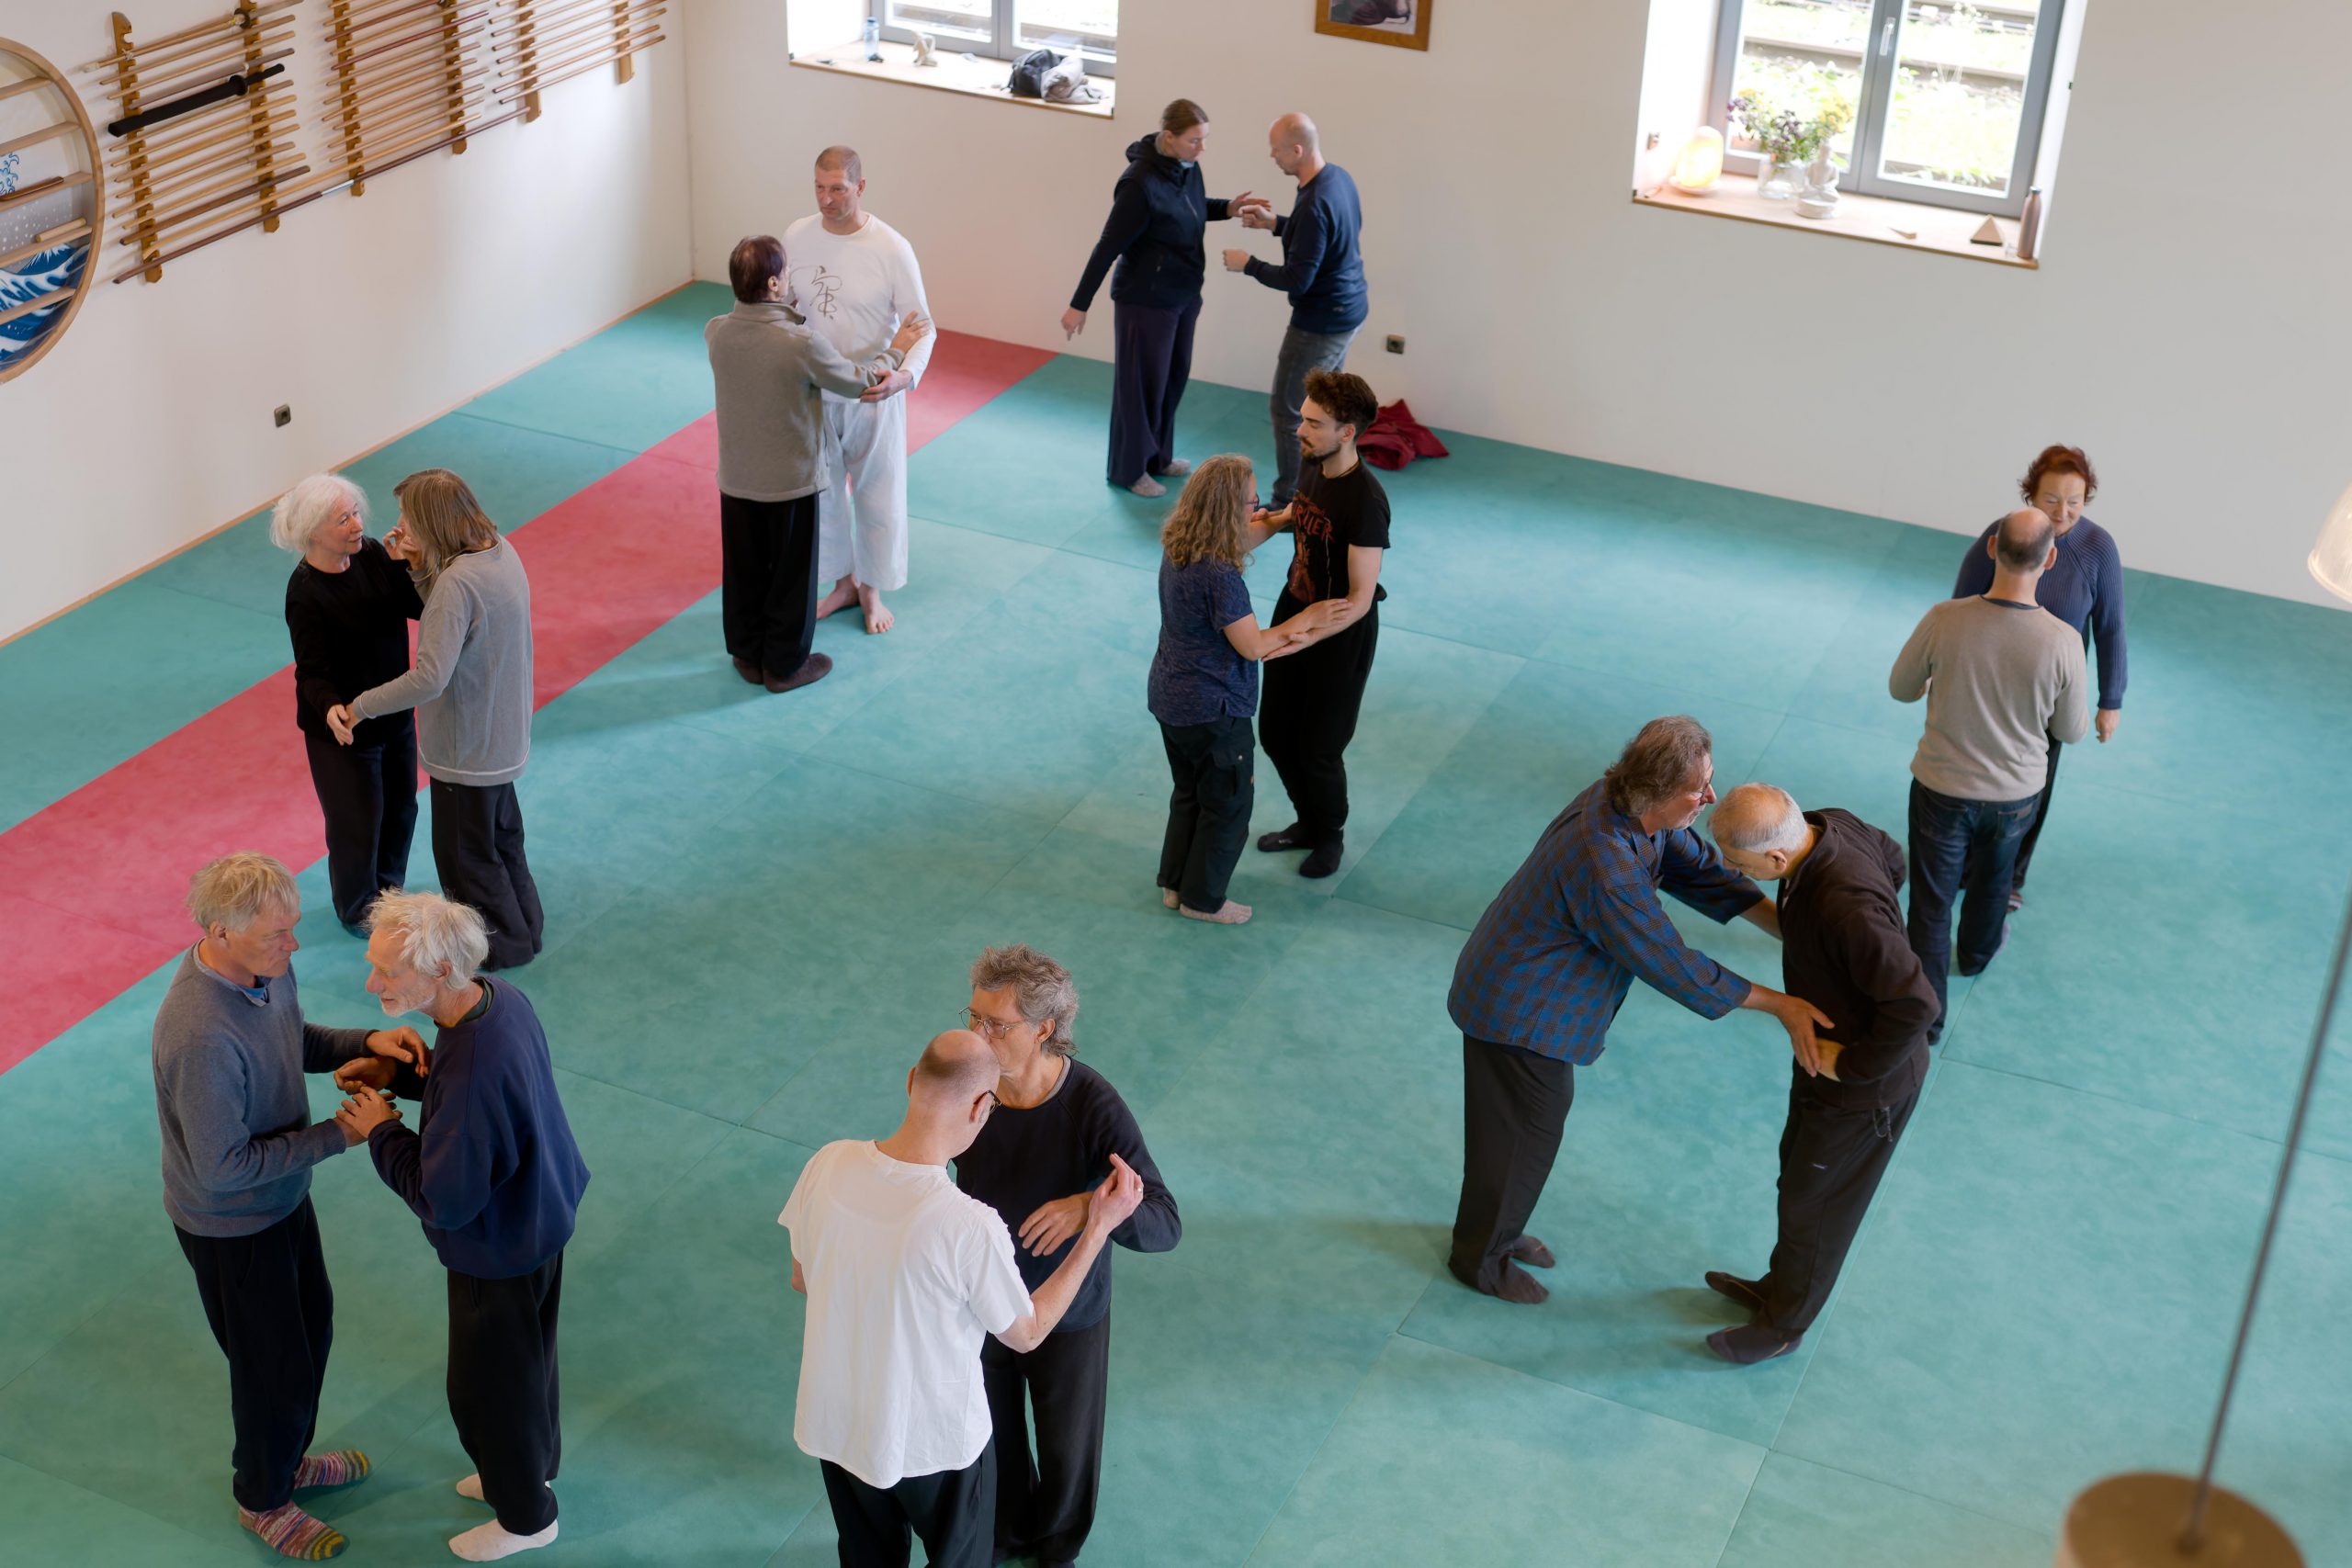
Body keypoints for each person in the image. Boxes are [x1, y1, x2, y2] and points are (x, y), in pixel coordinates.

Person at [1445, 717, 1832, 1305]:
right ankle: (1480, 1259)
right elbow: (1668, 961)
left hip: (1527, 992)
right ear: (1657, 792)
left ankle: (1498, 1229)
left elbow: (1698, 868)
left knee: (1520, 1136)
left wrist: (1789, 928)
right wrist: (1781, 1005)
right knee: (1524, 1136)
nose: (1710, 797)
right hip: (1518, 1013)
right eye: (1698, 790)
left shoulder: (1626, 801)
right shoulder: (1605, 862)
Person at [778, 1032, 1146, 1568]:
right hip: (935, 1445)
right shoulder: (968, 1226)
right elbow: (1025, 1332)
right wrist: (1096, 1227)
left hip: (838, 1425)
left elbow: (802, 1278)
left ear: (910, 1081)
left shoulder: (828, 1164)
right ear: (982, 1107)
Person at [151, 852, 426, 1561]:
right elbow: (221, 1169)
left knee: (311, 1334)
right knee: (270, 1365)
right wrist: (341, 1133)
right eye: (279, 934)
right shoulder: (199, 1035)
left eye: (292, 928)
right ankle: (263, 1497)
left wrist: (364, 1039)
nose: (294, 945)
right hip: (232, 1223)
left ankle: (288, 1458)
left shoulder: (261, 968)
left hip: (281, 1201)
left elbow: (290, 1035)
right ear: (220, 931)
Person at [335, 889, 590, 1564]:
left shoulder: (471, 1060)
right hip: (540, 1215)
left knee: (485, 1392)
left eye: (388, 971)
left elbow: (443, 1198)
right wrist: (401, 1075)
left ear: (440, 968)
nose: (372, 982)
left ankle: (527, 1514)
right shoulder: (494, 1002)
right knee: (530, 1367)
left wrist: (381, 1129)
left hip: (494, 1250)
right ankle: (529, 1469)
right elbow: (476, 1095)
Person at [952, 947, 1181, 1568]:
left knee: (1066, 1450)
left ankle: (1055, 1551)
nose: (978, 1035)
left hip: (1068, 1313)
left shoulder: (1092, 1105)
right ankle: (1002, 1535)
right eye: (974, 1017)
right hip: (985, 1299)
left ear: (1044, 1028)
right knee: (988, 1433)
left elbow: (1164, 1221)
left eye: (996, 1025)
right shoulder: (971, 1081)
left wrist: (1088, 1206)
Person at [1704, 784, 1937, 1365]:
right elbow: (1894, 859)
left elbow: (1917, 1006)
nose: (1732, 870)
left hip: (1864, 1087)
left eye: (1738, 864)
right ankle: (1779, 1288)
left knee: (1819, 1204)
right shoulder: (1827, 823)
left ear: (1777, 859)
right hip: (1822, 1065)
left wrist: (1852, 1064)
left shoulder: (1846, 907)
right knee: (1796, 1182)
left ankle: (1785, 1325)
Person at [328, 469, 542, 971]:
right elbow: (456, 622)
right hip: (503, 738)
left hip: (466, 748)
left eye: (407, 519)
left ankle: (503, 948)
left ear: (431, 521)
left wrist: (360, 706)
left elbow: (429, 676)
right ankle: (526, 928)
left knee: (466, 858)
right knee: (503, 841)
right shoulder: (500, 552)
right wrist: (419, 565)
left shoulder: (456, 583)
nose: (399, 527)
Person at [1891, 508, 2089, 1041]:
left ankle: (1927, 1022)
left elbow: (1901, 688)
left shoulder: (1943, 619)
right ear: (2049, 559)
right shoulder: (2064, 641)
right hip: (2016, 796)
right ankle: (1976, 955)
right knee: (1994, 881)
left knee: (1930, 904)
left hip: (1940, 786)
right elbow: (2070, 731)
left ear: (1991, 547)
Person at [707, 234, 928, 693]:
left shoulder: (717, 332)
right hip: (789, 483)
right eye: (786, 274)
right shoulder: (799, 343)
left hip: (736, 481)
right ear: (773, 283)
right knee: (791, 575)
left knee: (745, 569)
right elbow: (860, 381)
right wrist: (899, 348)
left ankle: (748, 655)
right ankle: (786, 667)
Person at [1148, 455, 1340, 922]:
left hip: (1171, 700)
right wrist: (1306, 620)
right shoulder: (1221, 579)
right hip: (1214, 711)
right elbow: (1253, 645)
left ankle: (1175, 885)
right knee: (1229, 807)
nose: (1258, 509)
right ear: (1227, 508)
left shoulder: (1180, 542)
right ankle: (1203, 900)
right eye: (1253, 502)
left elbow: (1240, 539)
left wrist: (1280, 520)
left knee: (1189, 796)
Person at [1951, 444, 2127, 909]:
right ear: (2030, 493)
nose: (2064, 512)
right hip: (1987, 683)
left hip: (2052, 695)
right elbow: (1960, 604)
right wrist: (1938, 668)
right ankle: (1964, 861)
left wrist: (2112, 700)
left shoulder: (2098, 549)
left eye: (2075, 500)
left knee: (2034, 786)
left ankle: (2009, 878)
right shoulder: (2004, 535)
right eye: (2052, 500)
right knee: (1976, 775)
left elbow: (2110, 628)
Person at [1063, 98, 1263, 498]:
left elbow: (1189, 209)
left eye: (1205, 140)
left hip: (1183, 293)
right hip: (1145, 299)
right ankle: (1129, 469)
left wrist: (1229, 208)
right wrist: (1079, 304)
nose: (1202, 148)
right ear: (1168, 138)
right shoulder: (1138, 184)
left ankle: (1158, 457)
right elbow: (1108, 246)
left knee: (1171, 379)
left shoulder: (1187, 168)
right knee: (1141, 385)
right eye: (1194, 141)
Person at [785, 146, 936, 637]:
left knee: (878, 492)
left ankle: (871, 589)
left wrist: (904, 377)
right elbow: (783, 307)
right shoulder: (796, 236)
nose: (827, 199)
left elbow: (923, 327)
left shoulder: (891, 247)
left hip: (874, 390)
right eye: (820, 188)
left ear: (860, 187)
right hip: (813, 390)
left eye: (838, 189)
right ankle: (844, 583)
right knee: (823, 494)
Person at [1251, 369, 1388, 879]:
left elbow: (1359, 597)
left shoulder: (1366, 502)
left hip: (1339, 635)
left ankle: (1328, 833)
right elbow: (1299, 512)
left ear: (1346, 432)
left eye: (1312, 422)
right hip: (1295, 607)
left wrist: (1304, 634)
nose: (1299, 430)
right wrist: (1265, 521)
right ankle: (1307, 821)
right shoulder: (1313, 464)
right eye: (1302, 418)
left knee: (1319, 748)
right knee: (1275, 734)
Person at [274, 473, 422, 933]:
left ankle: (389, 891)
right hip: (345, 729)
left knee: (402, 806)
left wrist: (409, 563)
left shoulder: (375, 554)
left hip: (394, 712)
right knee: (357, 822)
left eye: (356, 512)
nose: (358, 524)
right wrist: (331, 707)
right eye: (344, 519)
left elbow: (415, 608)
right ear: (314, 532)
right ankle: (359, 908)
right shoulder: (304, 592)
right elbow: (312, 669)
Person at [1223, 112, 1368, 510]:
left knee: (1290, 411)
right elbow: (1321, 237)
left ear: (1298, 150)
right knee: (1329, 408)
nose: (1272, 156)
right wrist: (1277, 225)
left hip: (1320, 321)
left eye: (1277, 148)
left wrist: (1247, 264)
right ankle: (1329, 485)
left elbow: (1297, 278)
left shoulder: (1314, 201)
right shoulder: (1338, 179)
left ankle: (1291, 499)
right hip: (1349, 311)